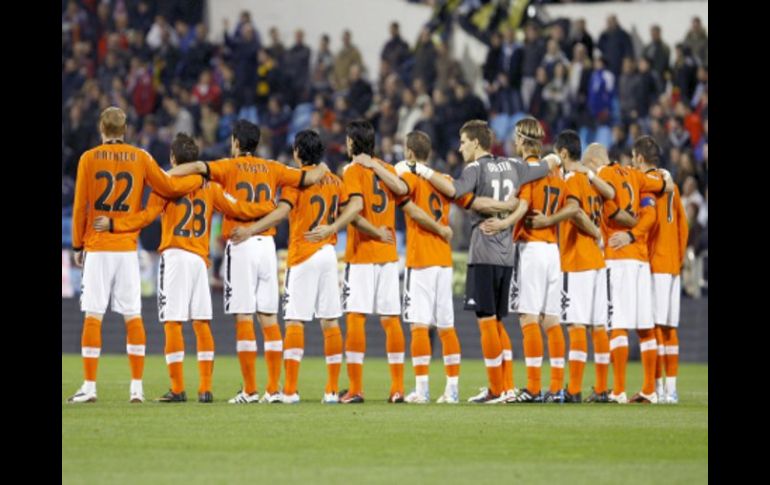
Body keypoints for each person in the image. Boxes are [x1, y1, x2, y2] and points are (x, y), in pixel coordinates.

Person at [93, 133, 275, 403]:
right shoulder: (211, 188)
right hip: (199, 261)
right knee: (202, 323)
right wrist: (267, 206)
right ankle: (205, 388)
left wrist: (114, 224)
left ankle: (178, 388)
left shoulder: (166, 187)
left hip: (176, 255)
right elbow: (239, 208)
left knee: (173, 322)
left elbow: (145, 217)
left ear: (173, 159)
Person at [167, 119, 329, 404]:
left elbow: (197, 168)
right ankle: (273, 388)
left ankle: (250, 390)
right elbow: (310, 177)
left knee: (243, 316)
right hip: (266, 244)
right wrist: (325, 166)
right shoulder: (273, 168)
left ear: (236, 143)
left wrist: (165, 174)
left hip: (240, 243)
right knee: (268, 317)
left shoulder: (227, 166)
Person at [413, 119, 562, 403]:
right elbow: (546, 165)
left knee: (486, 322)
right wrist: (555, 156)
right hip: (507, 254)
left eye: (463, 141)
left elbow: (455, 190)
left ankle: (496, 388)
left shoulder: (475, 168)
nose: (460, 147)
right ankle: (505, 387)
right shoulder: (512, 166)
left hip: (484, 250)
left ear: (477, 143)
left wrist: (423, 171)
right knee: (497, 322)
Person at [68, 107, 205, 404]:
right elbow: (168, 186)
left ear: (101, 129)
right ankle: (136, 388)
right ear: (125, 129)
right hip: (128, 248)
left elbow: (80, 206)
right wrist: (197, 177)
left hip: (99, 244)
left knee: (93, 315)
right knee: (133, 316)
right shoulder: (141, 157)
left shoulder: (88, 159)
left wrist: (78, 245)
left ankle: (90, 387)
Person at [230, 130, 349, 404]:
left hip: (304, 253)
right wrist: (331, 227)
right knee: (330, 321)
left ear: (297, 152)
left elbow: (282, 212)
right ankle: (331, 391)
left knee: (295, 320)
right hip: (329, 252)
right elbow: (346, 208)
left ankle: (291, 390)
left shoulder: (296, 182)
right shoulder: (333, 180)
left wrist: (251, 229)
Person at [394, 131, 470, 404]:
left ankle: (422, 389)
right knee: (446, 327)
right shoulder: (444, 180)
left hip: (421, 259)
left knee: (418, 325)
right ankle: (452, 389)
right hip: (443, 261)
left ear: (410, 154)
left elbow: (409, 207)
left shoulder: (410, 178)